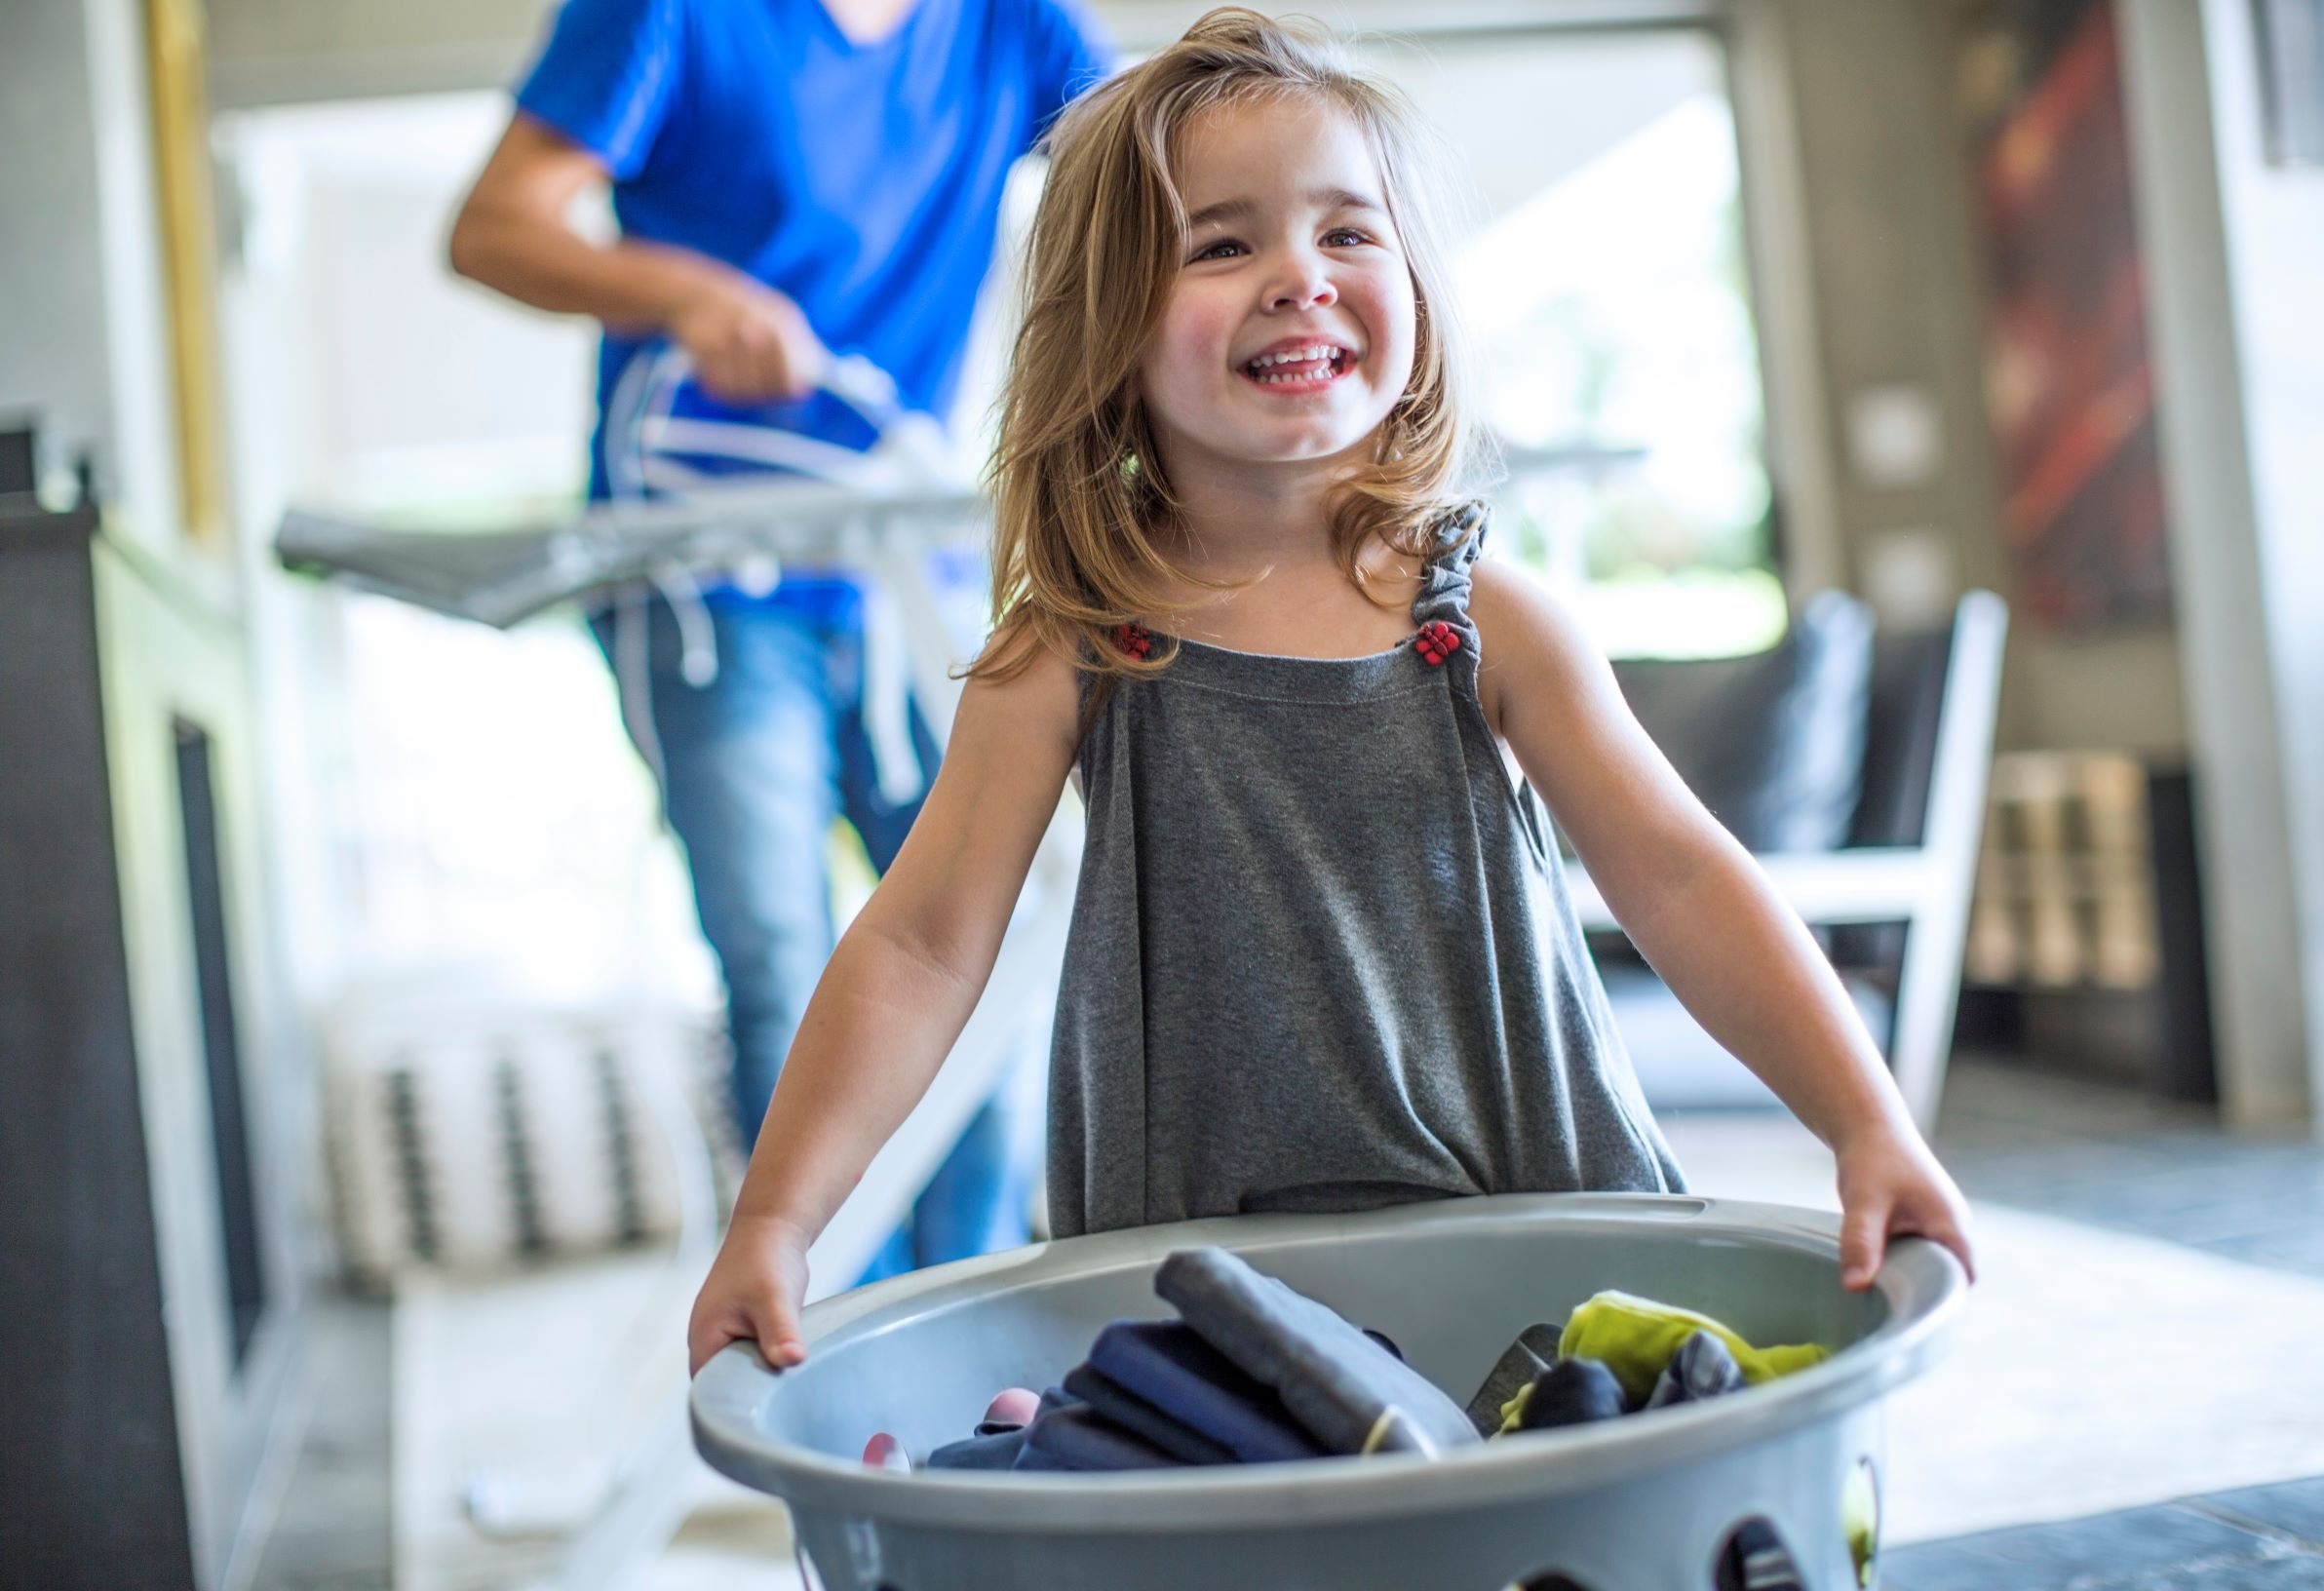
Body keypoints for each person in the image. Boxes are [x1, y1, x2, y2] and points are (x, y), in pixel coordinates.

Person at [687, 7, 1978, 1374]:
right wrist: (777, 1219)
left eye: (1347, 232)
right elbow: (920, 944)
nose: (1297, 275)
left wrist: (1865, 1125)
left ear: (1414, 285)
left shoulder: (1491, 623)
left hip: (1532, 1221)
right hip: (1200, 1283)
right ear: (1108, 328)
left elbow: (1677, 876)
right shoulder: (1067, 650)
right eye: (1222, 242)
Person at [447, 0, 1112, 1283]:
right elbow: (494, 226)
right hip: (706, 575)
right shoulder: (669, 14)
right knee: (780, 969)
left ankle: (958, 1334)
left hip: (904, 563)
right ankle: (814, 1351)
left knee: (999, 941)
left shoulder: (1008, 23)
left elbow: (1156, 153)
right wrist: (684, 291)